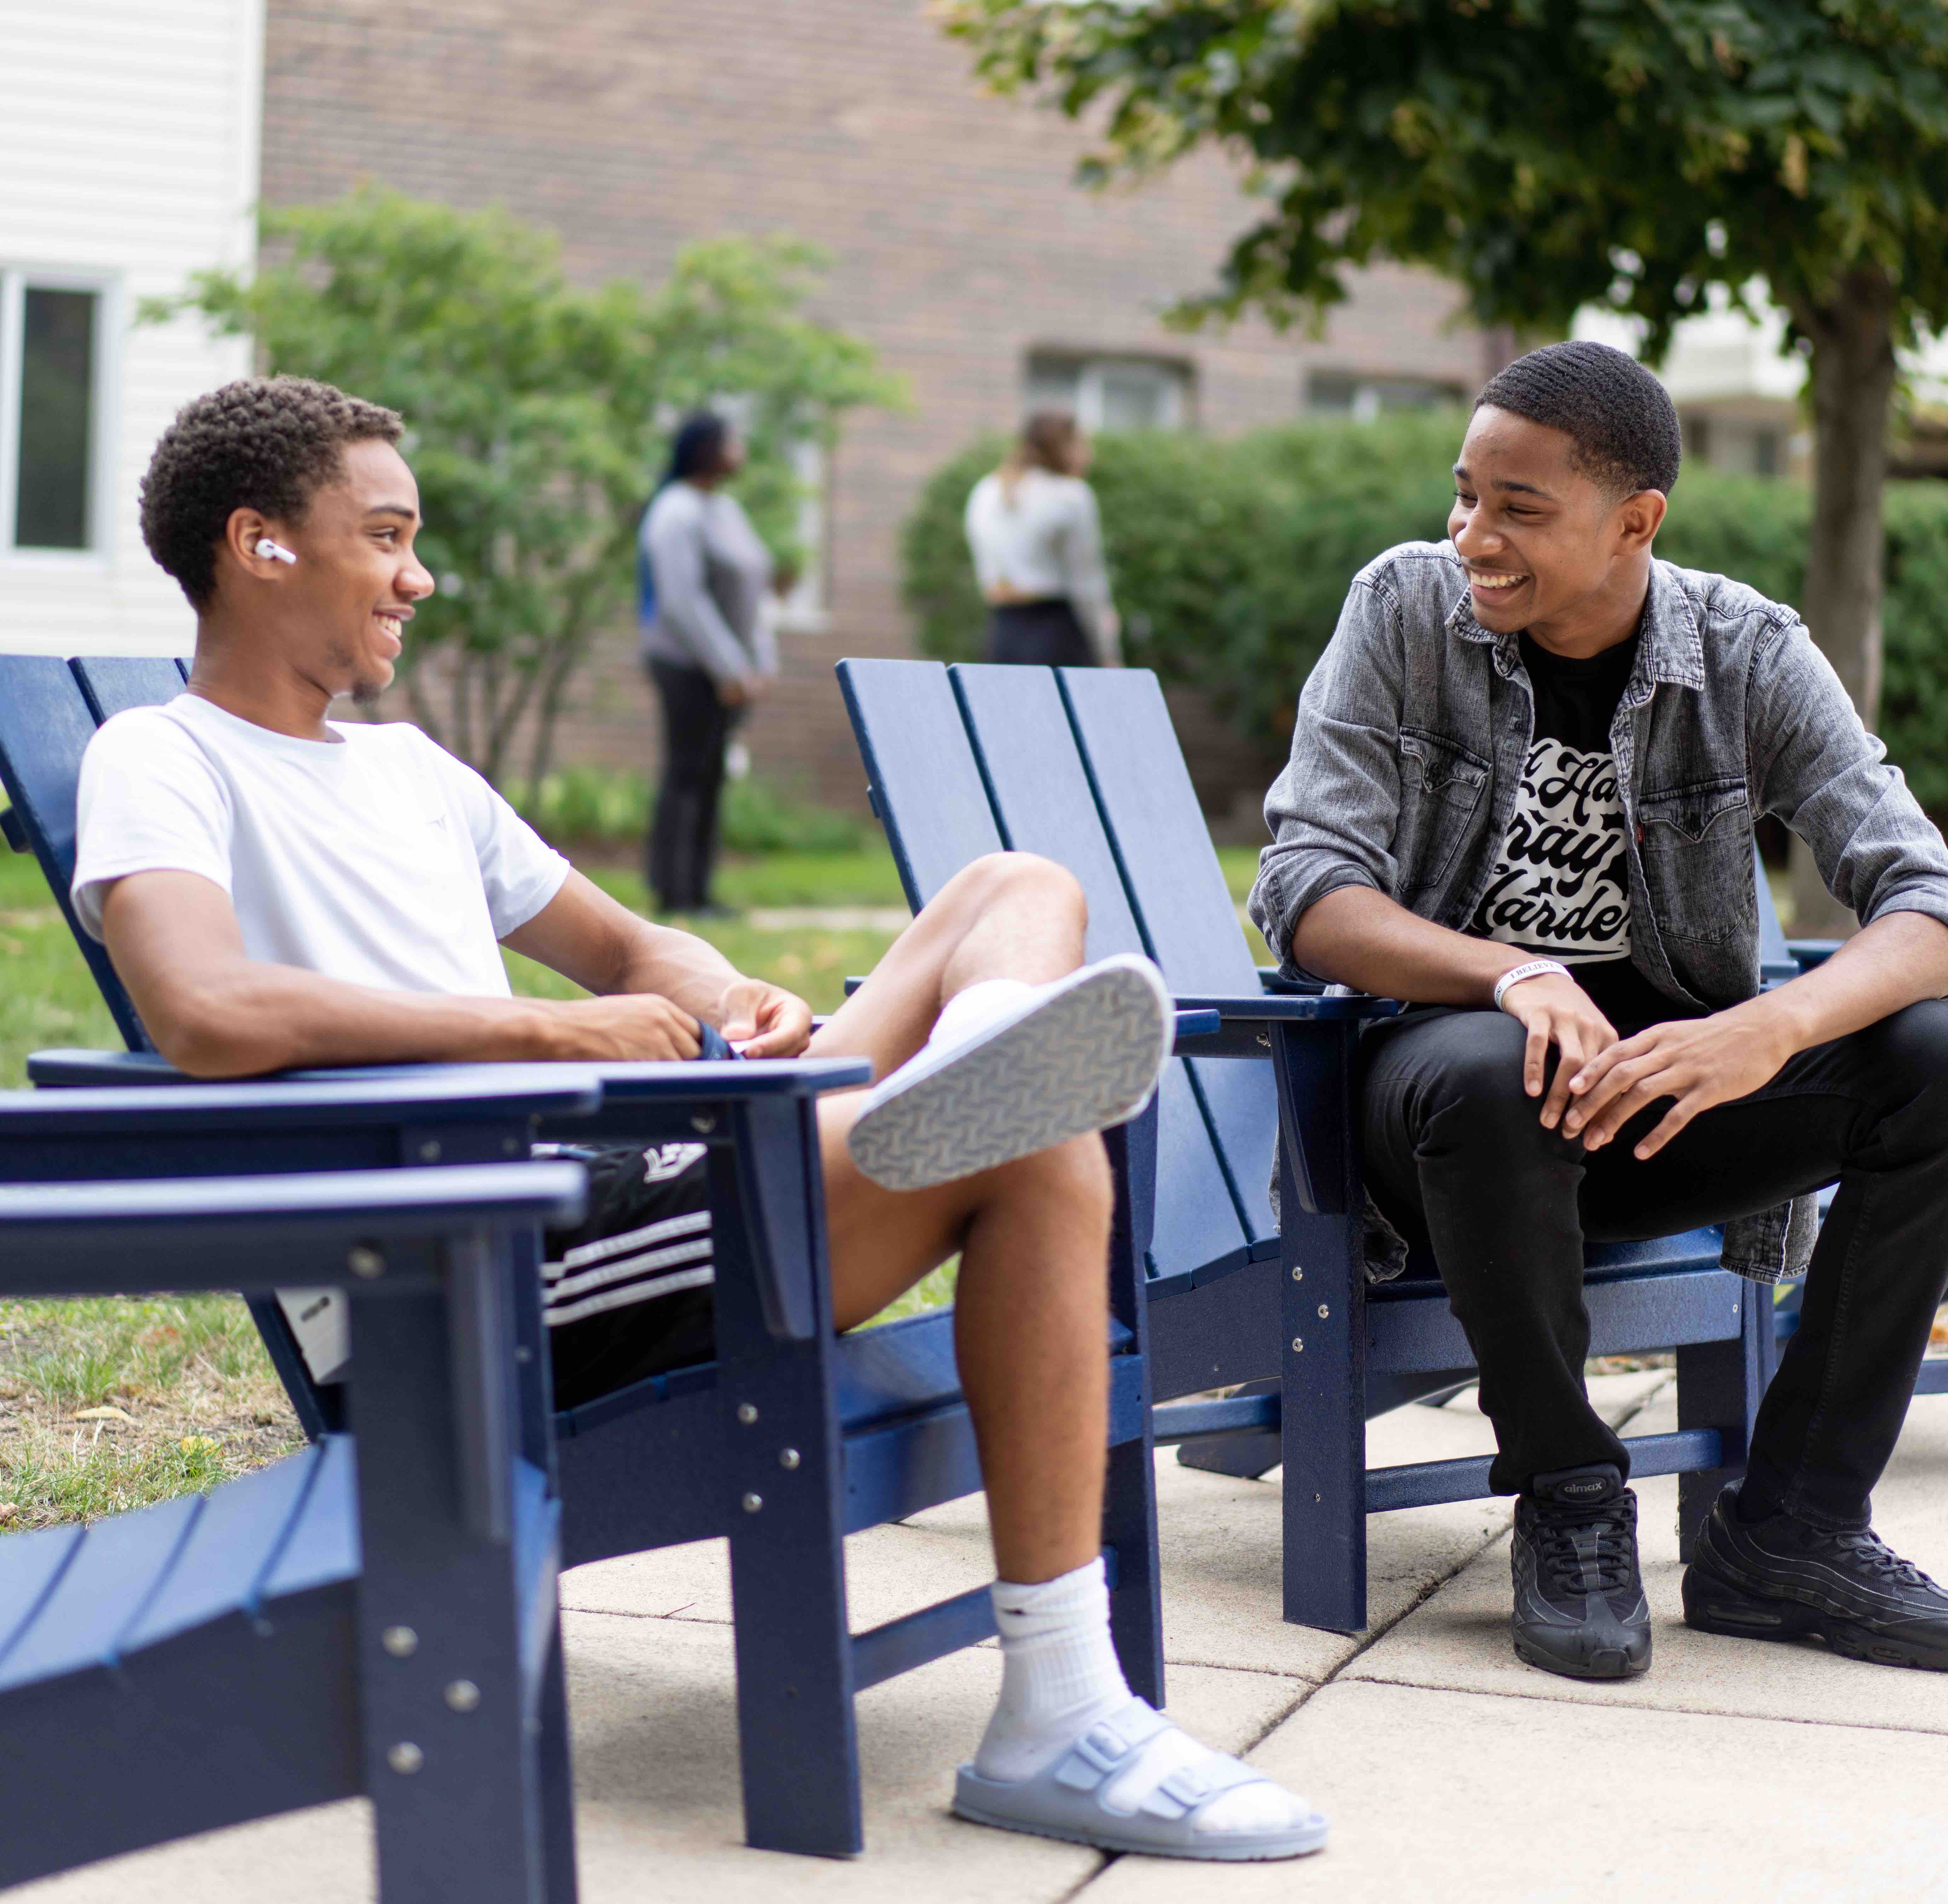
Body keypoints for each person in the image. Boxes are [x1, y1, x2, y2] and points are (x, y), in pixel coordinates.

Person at [74, 375, 1328, 1862]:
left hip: (638, 1174)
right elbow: (203, 1010)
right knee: (1046, 1148)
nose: (420, 574)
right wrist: (542, 1028)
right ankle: (1056, 1708)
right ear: (259, 545)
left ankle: (976, 1066)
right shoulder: (162, 756)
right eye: (388, 535)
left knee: (1014, 888)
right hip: (475, 1265)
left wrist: (730, 993)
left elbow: (633, 954)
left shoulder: (413, 773)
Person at [1251, 340, 1948, 1683]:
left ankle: (1794, 1529)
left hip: (1655, 1105)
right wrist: (1509, 970)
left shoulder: (1744, 649)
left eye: (1518, 508)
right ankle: (1570, 1495)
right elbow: (1304, 892)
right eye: (1465, 494)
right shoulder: (1404, 610)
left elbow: (1941, 912)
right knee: (1491, 1065)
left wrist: (1770, 1028)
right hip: (1439, 1109)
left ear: (1634, 522)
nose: (1472, 533)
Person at [637, 411, 777, 916]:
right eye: (732, 442)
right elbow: (682, 601)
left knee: (713, 776)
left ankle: (699, 890)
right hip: (685, 666)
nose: (740, 451)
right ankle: (672, 891)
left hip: (727, 671)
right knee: (686, 774)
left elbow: (752, 589)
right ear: (705, 449)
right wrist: (728, 668)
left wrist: (756, 662)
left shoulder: (725, 510)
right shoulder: (675, 511)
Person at [965, 412, 1121, 668]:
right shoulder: (1071, 496)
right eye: (1083, 444)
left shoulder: (986, 490)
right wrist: (1108, 651)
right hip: (1057, 633)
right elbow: (1088, 584)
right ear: (1065, 448)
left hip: (1003, 633)